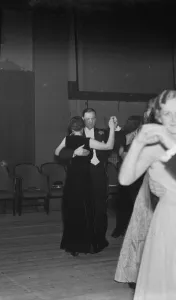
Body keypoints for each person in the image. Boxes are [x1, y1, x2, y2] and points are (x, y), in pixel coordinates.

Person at [119, 90, 176, 299]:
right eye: (167, 114)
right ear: (159, 116)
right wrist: (138, 143)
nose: (174, 119)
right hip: (167, 221)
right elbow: (125, 179)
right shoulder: (155, 148)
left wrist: (165, 138)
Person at [55, 116, 116, 256]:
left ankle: (73, 246)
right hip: (84, 182)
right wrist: (112, 128)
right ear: (82, 128)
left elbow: (57, 153)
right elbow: (109, 146)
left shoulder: (67, 139)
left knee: (72, 212)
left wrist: (72, 153)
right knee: (86, 213)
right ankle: (84, 244)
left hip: (71, 182)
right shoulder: (87, 141)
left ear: (71, 128)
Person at [82, 108, 111, 252]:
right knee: (86, 209)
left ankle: (100, 239)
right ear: (82, 119)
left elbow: (109, 149)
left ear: (96, 118)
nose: (90, 121)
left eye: (93, 118)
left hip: (99, 173)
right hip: (85, 175)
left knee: (100, 209)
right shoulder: (77, 133)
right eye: (87, 118)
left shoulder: (102, 133)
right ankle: (87, 239)